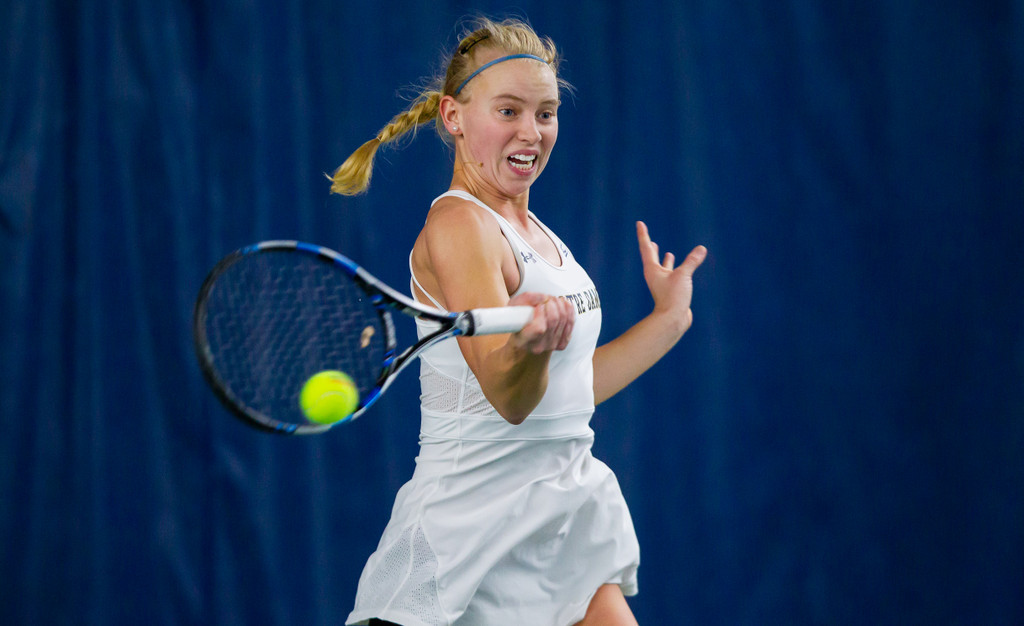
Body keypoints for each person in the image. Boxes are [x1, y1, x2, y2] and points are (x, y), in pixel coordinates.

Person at [330, 16, 706, 626]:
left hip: (560, 523)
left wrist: (670, 317)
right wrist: (530, 348)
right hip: (465, 542)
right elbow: (510, 397)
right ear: (453, 117)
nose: (532, 130)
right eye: (508, 111)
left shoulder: (539, 235)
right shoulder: (460, 225)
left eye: (546, 112)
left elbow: (570, 392)